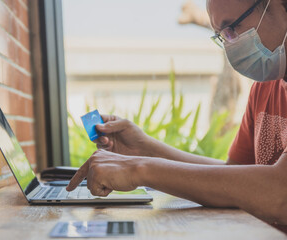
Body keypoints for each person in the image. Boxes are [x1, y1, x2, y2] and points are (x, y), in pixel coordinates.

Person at [66, 0, 287, 225]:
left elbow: (281, 194)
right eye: (221, 35)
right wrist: (144, 150)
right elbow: (236, 177)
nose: (231, 44)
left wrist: (137, 169)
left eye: (233, 27)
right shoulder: (265, 88)